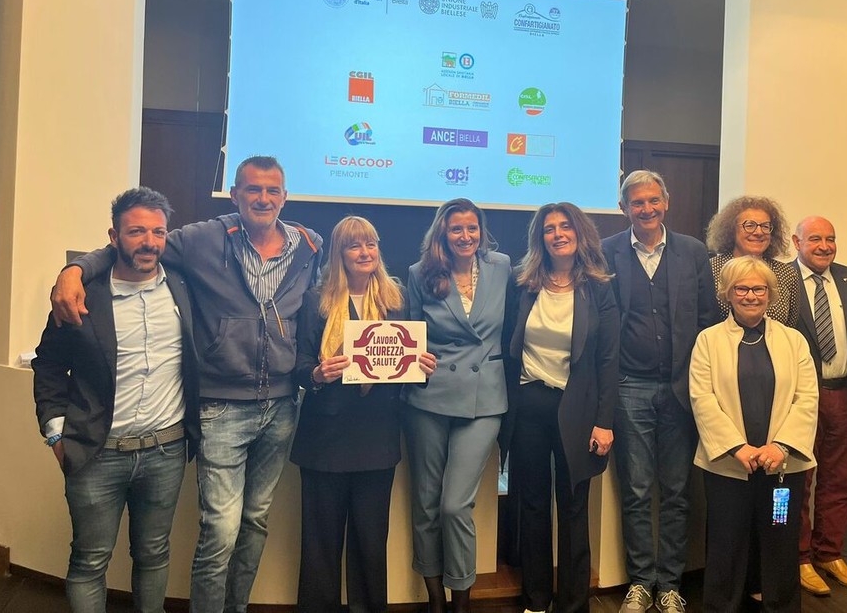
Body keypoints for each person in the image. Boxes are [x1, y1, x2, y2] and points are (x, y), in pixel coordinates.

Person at [51, 156, 325, 613]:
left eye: (272, 190)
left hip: (281, 406)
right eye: (252, 189)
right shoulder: (201, 239)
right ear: (234, 195)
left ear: (284, 196)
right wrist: (74, 270)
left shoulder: (309, 246)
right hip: (221, 407)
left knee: (255, 522)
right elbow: (134, 244)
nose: (262, 198)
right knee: (221, 529)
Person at [33, 187, 200, 613]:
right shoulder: (81, 295)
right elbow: (48, 365)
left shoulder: (183, 285)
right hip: (95, 453)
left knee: (154, 554)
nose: (149, 242)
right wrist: (56, 435)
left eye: (158, 232)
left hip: (165, 451)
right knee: (89, 562)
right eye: (136, 231)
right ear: (114, 237)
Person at [290, 216, 436, 612]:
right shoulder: (315, 300)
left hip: (376, 438)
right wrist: (317, 373)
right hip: (324, 439)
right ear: (339, 254)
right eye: (354, 245)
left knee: (371, 544)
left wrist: (421, 367)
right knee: (319, 545)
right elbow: (299, 364)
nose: (364, 252)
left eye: (370, 244)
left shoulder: (396, 299)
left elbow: (407, 366)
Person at [600, 171, 720, 613]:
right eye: (637, 203)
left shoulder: (693, 251)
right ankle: (640, 582)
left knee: (676, 491)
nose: (646, 209)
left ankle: (669, 584)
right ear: (624, 208)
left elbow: (707, 319)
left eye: (653, 200)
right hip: (628, 387)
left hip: (681, 388)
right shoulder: (607, 251)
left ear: (666, 202)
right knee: (635, 491)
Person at [502, 202, 620, 613]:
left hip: (578, 409)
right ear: (541, 238)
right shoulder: (523, 284)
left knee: (573, 507)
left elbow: (608, 360)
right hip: (529, 404)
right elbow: (508, 344)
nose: (558, 234)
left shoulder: (598, 287)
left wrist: (604, 421)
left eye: (565, 226)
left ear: (579, 232)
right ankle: (536, 600)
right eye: (549, 228)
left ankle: (573, 604)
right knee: (532, 504)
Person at [689, 256, 818, 613]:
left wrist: (781, 446)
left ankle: (781, 606)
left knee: (781, 538)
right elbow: (702, 398)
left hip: (782, 468)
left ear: (770, 294)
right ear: (727, 294)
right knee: (726, 541)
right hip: (730, 467)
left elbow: (807, 398)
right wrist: (736, 448)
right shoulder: (708, 341)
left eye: (758, 289)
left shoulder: (794, 341)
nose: (750, 296)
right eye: (741, 289)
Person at [404, 198, 511, 613]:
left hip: (484, 397)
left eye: (472, 228)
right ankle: (436, 601)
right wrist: (416, 357)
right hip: (430, 396)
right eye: (456, 229)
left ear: (481, 230)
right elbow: (411, 331)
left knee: (454, 506)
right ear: (442, 233)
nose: (465, 236)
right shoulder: (421, 272)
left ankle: (461, 602)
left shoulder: (502, 267)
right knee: (427, 505)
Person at [790, 216, 847, 597]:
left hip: (845, 392)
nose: (824, 246)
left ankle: (830, 553)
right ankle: (799, 558)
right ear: (796, 242)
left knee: (841, 479)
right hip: (801, 398)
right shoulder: (783, 281)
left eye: (830, 238)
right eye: (815, 239)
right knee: (799, 480)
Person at [705, 196, 799, 327]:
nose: (759, 232)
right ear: (731, 229)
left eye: (765, 226)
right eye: (749, 225)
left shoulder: (787, 274)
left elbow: (791, 326)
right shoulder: (710, 269)